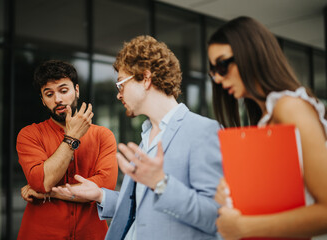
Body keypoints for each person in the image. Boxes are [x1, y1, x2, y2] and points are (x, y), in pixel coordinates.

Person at [53, 35, 223, 240]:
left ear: (146, 78)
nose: (118, 95)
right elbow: (142, 209)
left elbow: (216, 216)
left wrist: (161, 183)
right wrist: (99, 195)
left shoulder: (203, 131)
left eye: (121, 85)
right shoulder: (146, 137)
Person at [208, 16, 327, 240]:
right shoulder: (266, 115)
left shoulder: (290, 107)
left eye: (222, 65)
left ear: (250, 54)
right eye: (213, 70)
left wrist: (243, 227)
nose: (217, 78)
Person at [16, 60, 118, 240]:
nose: (58, 99)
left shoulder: (104, 136)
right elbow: (44, 181)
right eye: (49, 94)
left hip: (91, 235)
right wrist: (72, 138)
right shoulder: (29, 135)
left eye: (64, 91)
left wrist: (50, 192)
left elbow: (104, 187)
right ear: (42, 100)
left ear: (76, 90)